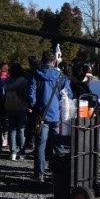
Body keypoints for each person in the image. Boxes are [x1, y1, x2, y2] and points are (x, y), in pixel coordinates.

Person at [29, 51, 74, 181]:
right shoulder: (61, 77)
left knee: (40, 145)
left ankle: (39, 174)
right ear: (54, 62)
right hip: (57, 116)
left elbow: (31, 95)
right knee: (58, 145)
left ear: (42, 61)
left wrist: (35, 106)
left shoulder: (35, 76)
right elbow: (68, 96)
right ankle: (59, 173)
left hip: (41, 115)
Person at [2, 63, 29, 161]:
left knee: (12, 130)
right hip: (21, 107)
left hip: (10, 106)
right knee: (21, 131)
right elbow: (26, 95)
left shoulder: (8, 80)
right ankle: (21, 152)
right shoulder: (24, 81)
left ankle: (12, 152)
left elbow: (4, 90)